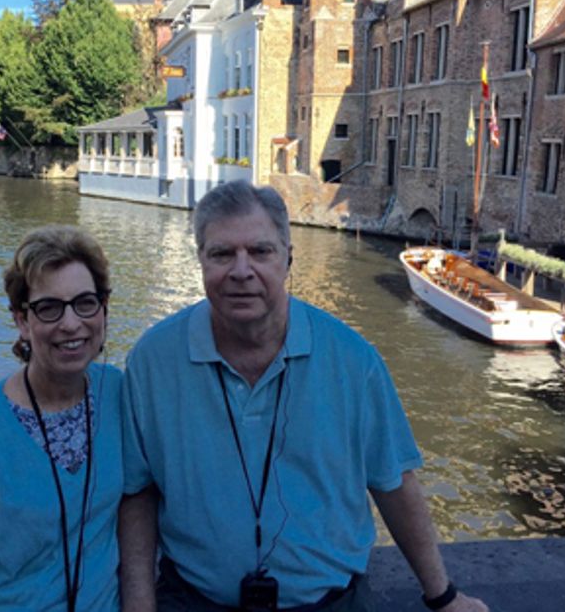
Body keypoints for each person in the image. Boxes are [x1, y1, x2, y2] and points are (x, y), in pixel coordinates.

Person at [120, 181, 487, 612]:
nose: (241, 271)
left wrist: (442, 595)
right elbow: (138, 490)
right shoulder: (154, 360)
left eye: (260, 252)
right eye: (222, 254)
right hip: (194, 599)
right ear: (200, 259)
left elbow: (393, 481)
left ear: (288, 259)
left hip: (329, 603)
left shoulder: (353, 360)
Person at [0, 225, 122, 611]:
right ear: (22, 321)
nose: (71, 323)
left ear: (103, 308)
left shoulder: (118, 393)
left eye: (85, 302)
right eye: (49, 308)